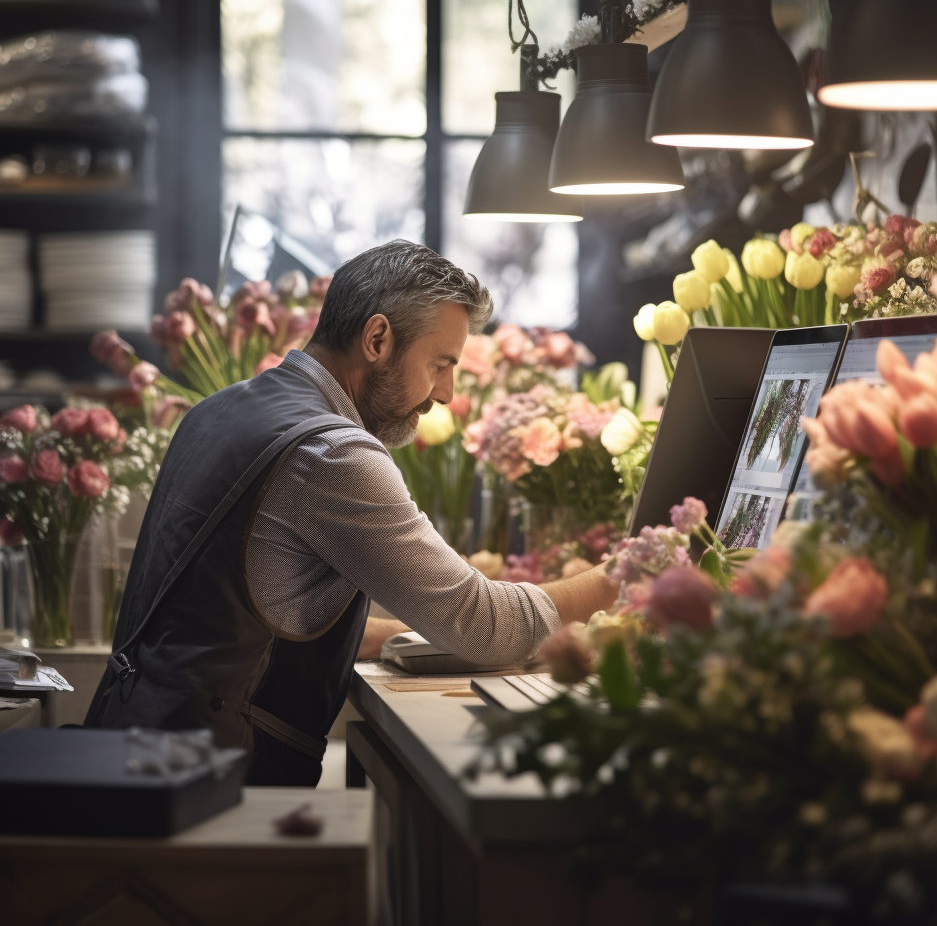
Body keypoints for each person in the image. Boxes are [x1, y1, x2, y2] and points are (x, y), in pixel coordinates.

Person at [85, 241, 618, 785]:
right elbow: (483, 623)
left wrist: (412, 632)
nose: (446, 392)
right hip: (212, 789)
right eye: (440, 364)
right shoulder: (333, 452)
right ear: (377, 339)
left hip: (135, 746)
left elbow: (233, 620)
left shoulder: (219, 410)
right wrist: (628, 574)